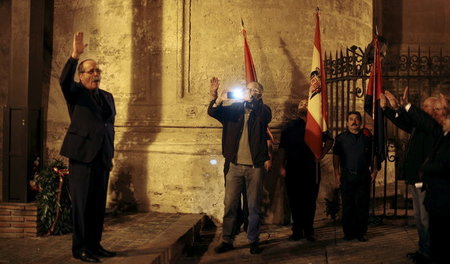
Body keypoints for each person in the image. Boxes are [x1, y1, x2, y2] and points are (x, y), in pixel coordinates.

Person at [60, 32, 116, 262]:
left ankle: (95, 244)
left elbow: (108, 127)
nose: (96, 74)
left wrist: (110, 154)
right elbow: (63, 80)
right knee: (82, 205)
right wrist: (75, 55)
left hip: (101, 157)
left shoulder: (107, 96)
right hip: (82, 157)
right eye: (91, 71)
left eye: (98, 71)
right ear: (81, 76)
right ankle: (80, 248)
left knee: (96, 205)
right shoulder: (76, 94)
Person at [208, 77, 272, 254]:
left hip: (255, 167)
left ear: (258, 94)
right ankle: (227, 239)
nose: (247, 92)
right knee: (230, 205)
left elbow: (265, 117)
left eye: (252, 90)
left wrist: (252, 100)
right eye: (247, 89)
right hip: (234, 166)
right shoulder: (235, 110)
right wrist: (218, 98)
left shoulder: (263, 111)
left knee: (253, 206)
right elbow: (214, 112)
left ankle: (253, 240)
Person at [385, 92, 449, 264]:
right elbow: (404, 121)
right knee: (420, 218)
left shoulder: (433, 126)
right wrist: (392, 108)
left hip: (428, 182)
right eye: (427, 106)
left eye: (430, 107)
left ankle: (429, 252)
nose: (425, 109)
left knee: (426, 219)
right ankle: (424, 249)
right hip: (416, 178)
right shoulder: (422, 125)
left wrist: (407, 106)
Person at [279, 99, 333, 242]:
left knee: (309, 201)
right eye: (301, 104)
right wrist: (281, 166)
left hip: (310, 168)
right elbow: (282, 148)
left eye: (306, 104)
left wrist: (321, 154)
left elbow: (329, 140)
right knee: (294, 201)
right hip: (293, 168)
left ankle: (309, 230)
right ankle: (296, 230)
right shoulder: (289, 126)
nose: (303, 106)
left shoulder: (317, 125)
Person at [333, 111, 377, 242]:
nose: (354, 122)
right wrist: (336, 174)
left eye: (356, 119)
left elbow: (374, 155)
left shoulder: (368, 139)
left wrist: (374, 171)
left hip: (363, 176)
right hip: (347, 176)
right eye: (351, 119)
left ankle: (360, 233)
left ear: (360, 122)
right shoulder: (341, 138)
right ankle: (348, 233)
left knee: (362, 206)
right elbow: (336, 157)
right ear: (347, 123)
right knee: (348, 206)